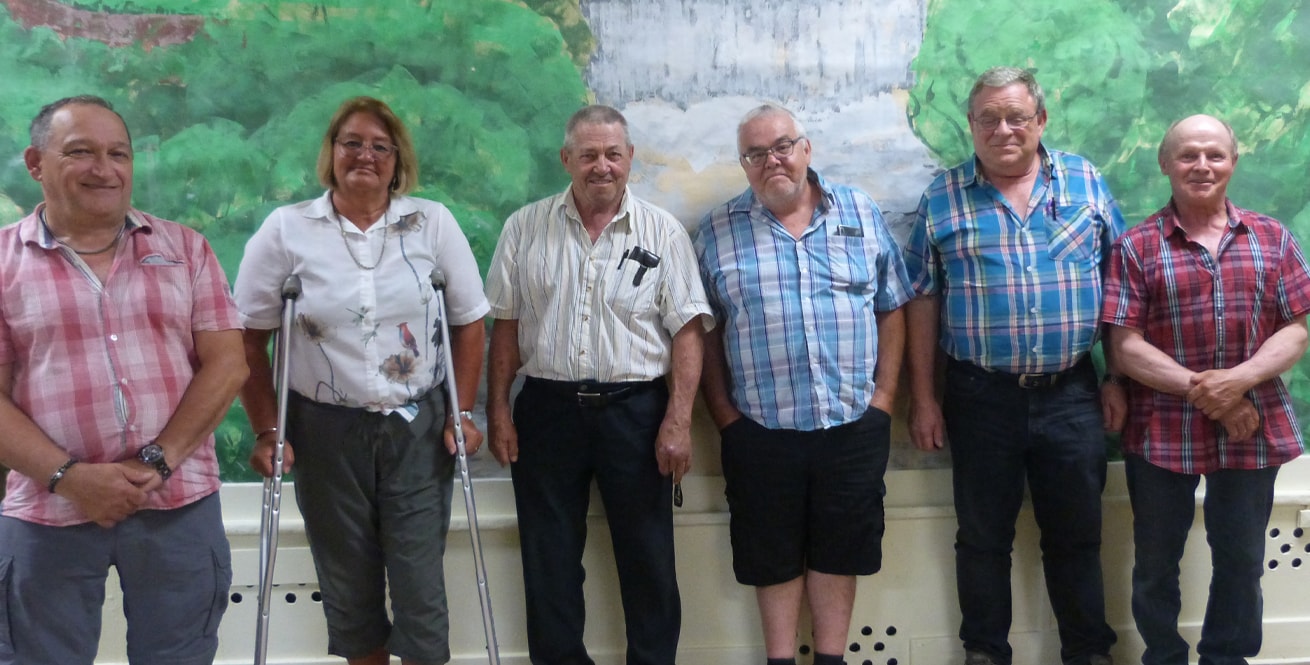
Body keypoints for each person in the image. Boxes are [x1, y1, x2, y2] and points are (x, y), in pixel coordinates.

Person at [233, 96, 489, 665]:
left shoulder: (432, 223)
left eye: (380, 146)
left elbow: (469, 322)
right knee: (348, 584)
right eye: (351, 143)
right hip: (324, 432)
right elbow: (247, 338)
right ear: (332, 152)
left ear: (397, 160)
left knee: (420, 582)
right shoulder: (287, 230)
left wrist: (463, 413)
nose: (365, 155)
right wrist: (267, 430)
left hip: (417, 429)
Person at [0, 95, 248, 664]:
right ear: (36, 163)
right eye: (80, 152)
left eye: (118, 154)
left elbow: (228, 364)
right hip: (48, 509)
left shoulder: (186, 249)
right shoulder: (3, 262)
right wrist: (70, 478)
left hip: (177, 502)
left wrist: (157, 461)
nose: (104, 169)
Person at [902, 67, 1122, 665]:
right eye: (989, 119)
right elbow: (921, 298)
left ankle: (1088, 653)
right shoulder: (943, 197)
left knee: (1077, 536)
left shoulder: (1084, 181)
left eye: (1016, 116)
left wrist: (1116, 378)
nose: (1003, 129)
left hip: (1072, 393)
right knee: (981, 539)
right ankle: (985, 653)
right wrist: (924, 397)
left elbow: (1121, 286)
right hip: (979, 397)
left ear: (1040, 120)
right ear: (971, 126)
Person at [484, 104, 711, 665]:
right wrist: (498, 411)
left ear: (630, 158)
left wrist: (679, 420)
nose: (601, 166)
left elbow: (687, 333)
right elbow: (505, 327)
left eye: (612, 154)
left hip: (636, 413)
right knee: (549, 559)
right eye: (588, 155)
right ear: (566, 159)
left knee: (648, 558)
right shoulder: (524, 228)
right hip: (547, 410)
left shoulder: (663, 232)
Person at [694, 103, 912, 665]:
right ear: (744, 164)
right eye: (755, 153)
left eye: (782, 146)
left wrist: (885, 400)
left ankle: (832, 659)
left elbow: (892, 306)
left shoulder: (859, 211)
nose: (772, 160)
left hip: (853, 424)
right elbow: (705, 331)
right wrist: (725, 418)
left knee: (841, 551)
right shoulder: (717, 231)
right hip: (759, 430)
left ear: (806, 149)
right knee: (771, 555)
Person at [1102, 114, 1310, 665]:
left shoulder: (1272, 237)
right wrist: (1213, 395)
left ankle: (1226, 658)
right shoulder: (1134, 247)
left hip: (1253, 426)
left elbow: (1296, 329)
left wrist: (1239, 382)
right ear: (1165, 163)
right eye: (1188, 155)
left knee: (1241, 560)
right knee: (1155, 563)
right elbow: (1124, 346)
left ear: (1233, 162)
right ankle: (1164, 657)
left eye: (1215, 155)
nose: (1202, 166)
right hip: (1160, 431)